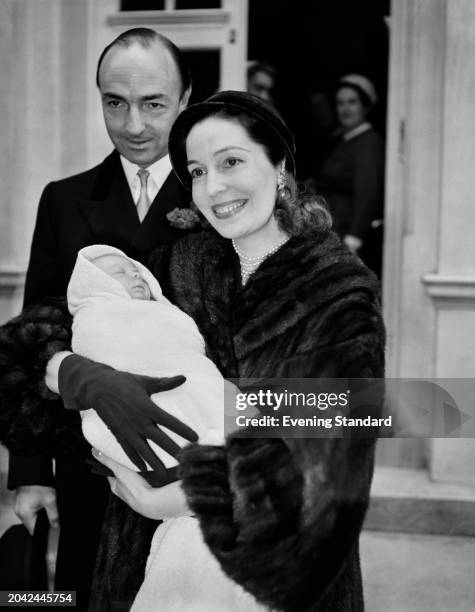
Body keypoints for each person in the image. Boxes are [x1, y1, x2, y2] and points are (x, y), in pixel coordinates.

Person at [0, 91, 385, 610]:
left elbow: (343, 438)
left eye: (231, 162)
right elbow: (24, 342)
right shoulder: (174, 266)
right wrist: (70, 370)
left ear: (278, 166)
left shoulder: (336, 286)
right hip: (143, 559)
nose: (213, 187)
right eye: (197, 171)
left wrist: (176, 496)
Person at [3, 26, 194, 610]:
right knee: (79, 595)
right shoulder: (64, 199)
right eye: (115, 103)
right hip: (87, 459)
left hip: (190, 455)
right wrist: (32, 469)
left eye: (153, 104)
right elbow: (30, 340)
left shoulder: (224, 198)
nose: (133, 125)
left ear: (186, 100)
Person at [67, 244, 225, 474]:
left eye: (137, 271)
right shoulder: (96, 315)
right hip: (147, 405)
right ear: (95, 283)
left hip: (239, 420)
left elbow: (296, 407)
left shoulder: (168, 308)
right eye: (120, 273)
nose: (134, 274)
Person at [315, 74, 385, 275]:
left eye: (352, 102)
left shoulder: (368, 142)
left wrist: (353, 239)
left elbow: (368, 192)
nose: (345, 109)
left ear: (365, 106)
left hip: (349, 240)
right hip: (333, 234)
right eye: (340, 103)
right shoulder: (346, 141)